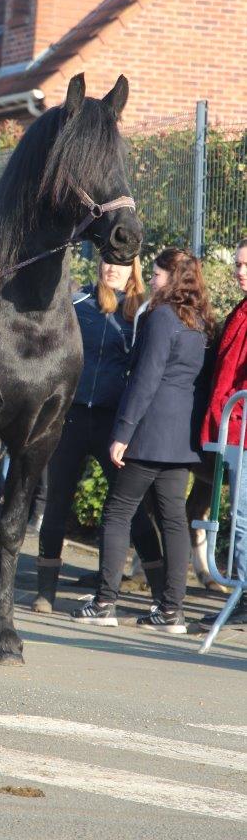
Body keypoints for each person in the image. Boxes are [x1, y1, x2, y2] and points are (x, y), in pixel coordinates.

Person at [72, 248, 214, 633]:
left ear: (173, 278)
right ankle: (171, 611)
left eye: (157, 274)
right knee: (173, 520)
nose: (151, 279)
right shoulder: (200, 321)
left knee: (118, 513)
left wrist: (123, 432)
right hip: (180, 438)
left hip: (148, 432)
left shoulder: (161, 317)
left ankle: (104, 603)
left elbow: (145, 378)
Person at [32, 258, 161, 613]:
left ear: (133, 267)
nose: (111, 267)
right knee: (57, 503)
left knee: (130, 511)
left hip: (114, 424)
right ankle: (46, 591)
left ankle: (161, 592)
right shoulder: (78, 301)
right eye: (107, 260)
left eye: (120, 263)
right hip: (71, 418)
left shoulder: (145, 311)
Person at [195, 239, 247, 628]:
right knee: (239, 515)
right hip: (231, 428)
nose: (240, 271)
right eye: (238, 264)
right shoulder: (240, 310)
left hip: (241, 427)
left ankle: (243, 593)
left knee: (243, 517)